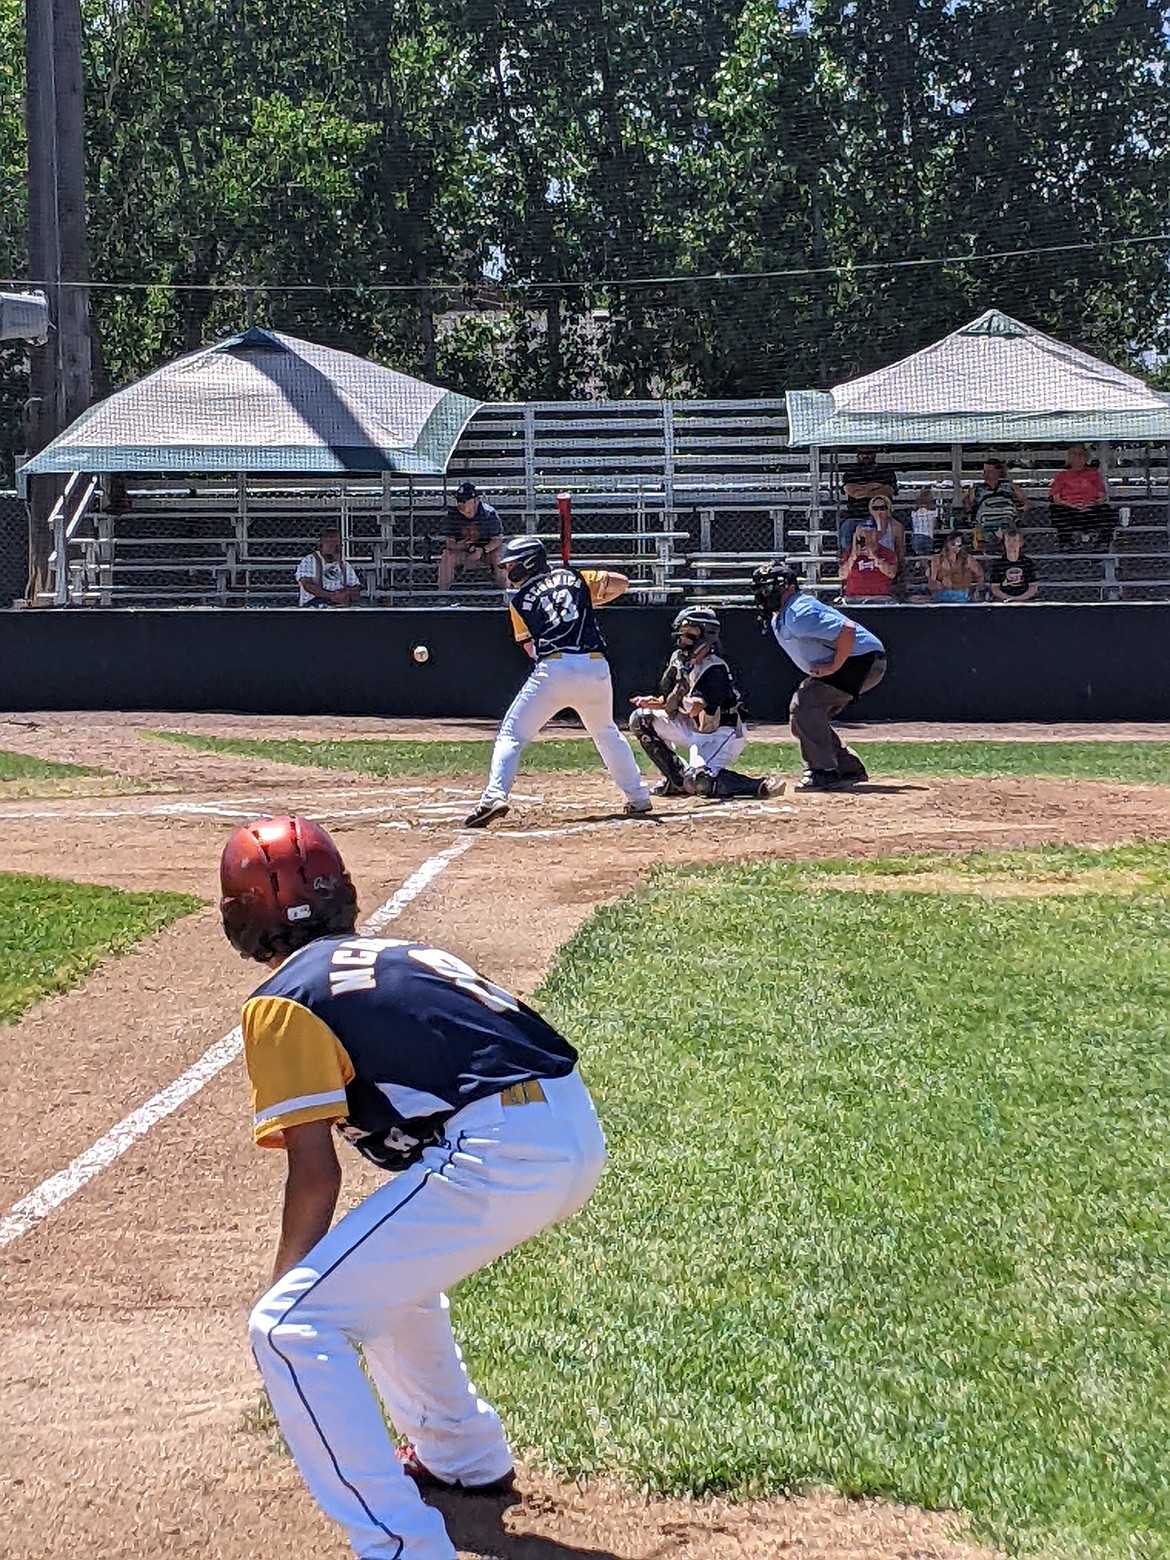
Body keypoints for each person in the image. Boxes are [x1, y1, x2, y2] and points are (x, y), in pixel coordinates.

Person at [221, 815, 606, 1560]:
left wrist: (287, 1288)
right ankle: (461, 1456)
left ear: (240, 917)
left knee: (289, 1327)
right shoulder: (400, 951)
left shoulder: (282, 999)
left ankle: (401, 1545)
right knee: (387, 1282)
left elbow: (315, 1173)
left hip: (500, 1149)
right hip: (567, 1126)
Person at [464, 536, 652, 826]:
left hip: (554, 668)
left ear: (527, 563)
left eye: (512, 565)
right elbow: (621, 582)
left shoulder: (519, 602)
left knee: (512, 735)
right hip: (596, 666)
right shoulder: (575, 578)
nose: (508, 571)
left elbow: (530, 648)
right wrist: (590, 594)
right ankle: (639, 797)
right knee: (606, 732)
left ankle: (494, 797)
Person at [751, 559, 887, 792]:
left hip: (862, 660)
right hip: (857, 660)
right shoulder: (783, 615)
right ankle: (846, 767)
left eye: (769, 587)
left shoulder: (798, 611)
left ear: (788, 587)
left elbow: (847, 630)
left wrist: (834, 666)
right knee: (805, 711)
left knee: (805, 704)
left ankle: (824, 771)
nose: (764, 594)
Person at [628, 606, 774, 800]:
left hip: (722, 732)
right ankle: (677, 780)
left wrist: (683, 698)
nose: (683, 639)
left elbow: (696, 706)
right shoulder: (678, 660)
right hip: (695, 728)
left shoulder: (715, 668)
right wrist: (655, 702)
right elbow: (666, 699)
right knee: (641, 719)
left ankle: (756, 785)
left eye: (689, 633)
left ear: (706, 634)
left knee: (700, 781)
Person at [438, 481, 507, 590]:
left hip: (486, 553)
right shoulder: (452, 516)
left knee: (499, 554)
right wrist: (462, 547)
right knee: (447, 555)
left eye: (464, 501)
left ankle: (506, 593)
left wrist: (483, 550)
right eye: (459, 500)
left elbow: (497, 539)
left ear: (475, 501)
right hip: (463, 553)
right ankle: (443, 594)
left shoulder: (488, 514)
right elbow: (449, 542)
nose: (460, 504)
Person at [1048, 444, 1115, 551]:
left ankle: (1101, 543)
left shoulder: (1093, 475)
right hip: (1070, 510)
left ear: (1086, 458)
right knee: (1056, 511)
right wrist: (1072, 505)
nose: (1077, 458)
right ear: (1069, 458)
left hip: (1090, 509)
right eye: (1073, 454)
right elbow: (1056, 498)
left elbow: (1102, 497)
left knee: (1108, 512)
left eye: (1080, 455)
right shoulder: (1062, 476)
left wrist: (1091, 504)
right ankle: (1066, 542)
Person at [838, 448, 898, 551]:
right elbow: (850, 491)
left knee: (892, 536)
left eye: (869, 452)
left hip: (881, 516)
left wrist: (861, 490)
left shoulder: (886, 471)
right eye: (862, 453)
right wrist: (875, 487)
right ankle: (852, 562)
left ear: (874, 454)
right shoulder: (850, 472)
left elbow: (888, 491)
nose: (865, 456)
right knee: (845, 537)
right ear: (857, 455)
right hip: (855, 516)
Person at [963, 458, 1029, 546]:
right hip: (987, 512)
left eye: (989, 471)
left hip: (1006, 511)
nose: (985, 474)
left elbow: (1025, 501)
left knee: (1008, 518)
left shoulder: (1008, 486)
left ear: (998, 472)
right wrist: (969, 511)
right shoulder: (977, 488)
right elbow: (966, 501)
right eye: (984, 471)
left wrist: (1021, 510)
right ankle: (996, 540)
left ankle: (1005, 542)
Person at [296, 526, 362, 608]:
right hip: (314, 607)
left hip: (340, 606)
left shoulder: (345, 566)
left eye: (336, 545)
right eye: (329, 544)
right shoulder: (309, 561)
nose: (333, 548)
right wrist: (331, 596)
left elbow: (356, 588)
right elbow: (307, 585)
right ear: (321, 545)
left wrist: (346, 593)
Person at [841, 520, 897, 603]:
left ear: (877, 535)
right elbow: (842, 575)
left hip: (879, 598)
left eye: (871, 532)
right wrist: (852, 558)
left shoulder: (887, 553)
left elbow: (891, 574)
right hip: (854, 597)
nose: (867, 535)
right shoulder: (849, 554)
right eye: (864, 532)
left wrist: (875, 557)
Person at [927, 530, 984, 602]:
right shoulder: (937, 560)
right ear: (947, 544)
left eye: (959, 546)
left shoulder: (967, 559)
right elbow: (931, 582)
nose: (955, 549)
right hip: (942, 595)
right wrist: (938, 585)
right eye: (953, 544)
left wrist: (977, 590)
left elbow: (980, 574)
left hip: (962, 595)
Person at [989, 526, 1039, 604]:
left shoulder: (1027, 563)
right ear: (1004, 543)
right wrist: (1007, 598)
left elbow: (1033, 586)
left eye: (1014, 540)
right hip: (1004, 602)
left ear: (1020, 543)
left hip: (1025, 601)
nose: (1011, 544)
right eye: (1008, 540)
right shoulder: (998, 564)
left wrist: (1019, 599)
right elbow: (995, 587)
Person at [907, 487, 939, 556]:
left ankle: (921, 564)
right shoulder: (933, 512)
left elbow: (912, 524)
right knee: (926, 555)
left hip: (916, 535)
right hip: (928, 535)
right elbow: (935, 525)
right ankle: (925, 565)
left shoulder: (914, 512)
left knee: (919, 555)